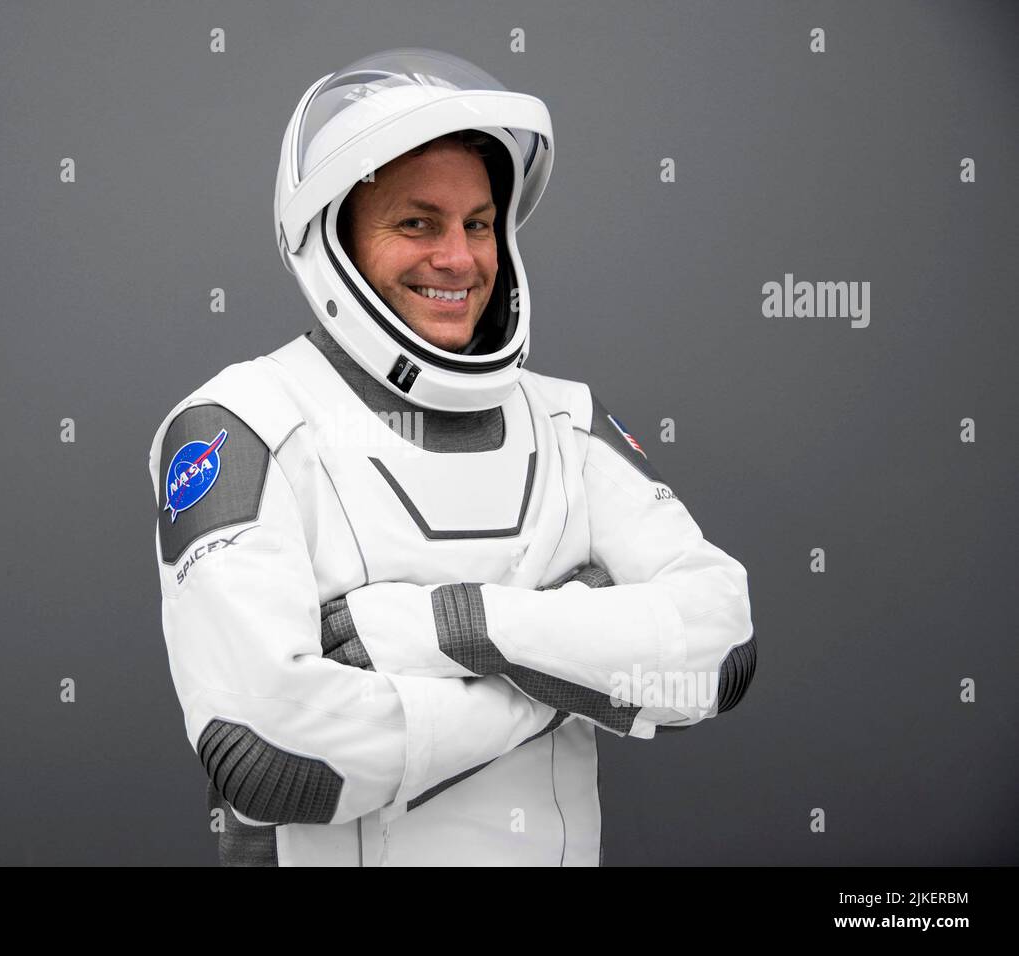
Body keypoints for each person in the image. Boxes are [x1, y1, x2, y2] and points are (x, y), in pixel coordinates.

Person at [149, 48, 757, 866]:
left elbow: (717, 650)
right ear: (334, 242)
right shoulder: (240, 424)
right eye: (417, 223)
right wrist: (567, 684)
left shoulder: (567, 422)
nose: (461, 259)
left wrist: (443, 625)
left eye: (479, 223)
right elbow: (271, 755)